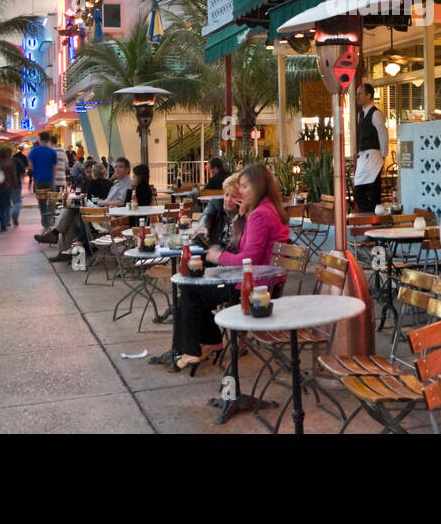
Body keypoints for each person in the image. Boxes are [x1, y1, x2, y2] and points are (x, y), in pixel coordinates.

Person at [153, 164, 290, 372]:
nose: (240, 191)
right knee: (191, 292)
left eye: (244, 187)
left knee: (190, 290)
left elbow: (247, 260)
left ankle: (195, 348)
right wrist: (242, 216)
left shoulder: (260, 214)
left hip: (252, 287)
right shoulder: (266, 209)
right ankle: (208, 342)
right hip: (263, 282)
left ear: (258, 186)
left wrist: (218, 257)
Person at [36, 157, 132, 261]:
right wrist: (102, 202)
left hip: (110, 218)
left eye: (121, 167)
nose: (117, 169)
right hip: (102, 213)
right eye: (116, 166)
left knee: (72, 211)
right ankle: (62, 248)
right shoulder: (117, 183)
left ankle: (57, 237)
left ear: (127, 169)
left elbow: (121, 202)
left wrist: (103, 202)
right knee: (72, 213)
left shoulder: (127, 184)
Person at [352, 82, 387, 213]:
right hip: (363, 156)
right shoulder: (360, 115)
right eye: (357, 94)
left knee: (374, 189)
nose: (358, 97)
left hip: (374, 156)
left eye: (360, 94)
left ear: (369, 95)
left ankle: (375, 217)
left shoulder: (376, 114)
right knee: (357, 192)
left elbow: (383, 134)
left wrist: (383, 155)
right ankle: (373, 212)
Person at [191, 174, 243, 249]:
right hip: (215, 253)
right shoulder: (216, 204)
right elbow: (207, 216)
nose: (229, 200)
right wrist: (203, 227)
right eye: (227, 195)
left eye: (233, 196)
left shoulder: (244, 211)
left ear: (240, 197)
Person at [28, 132, 58, 229]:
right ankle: (50, 217)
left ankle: (44, 220)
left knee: (41, 201)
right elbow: (54, 167)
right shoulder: (52, 152)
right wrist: (53, 178)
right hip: (50, 180)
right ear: (48, 139)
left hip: (39, 180)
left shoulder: (33, 151)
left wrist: (36, 173)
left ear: (40, 139)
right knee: (52, 199)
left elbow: (30, 165)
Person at [0, 147, 20, 232]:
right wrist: (16, 187)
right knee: (7, 205)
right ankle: (6, 222)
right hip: (7, 187)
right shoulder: (10, 163)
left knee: (1, 207)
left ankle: (2, 225)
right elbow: (13, 176)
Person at [10, 146, 29, 227]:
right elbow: (23, 171)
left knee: (5, 204)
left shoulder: (0, 162)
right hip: (16, 183)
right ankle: (14, 212)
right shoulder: (17, 160)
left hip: (4, 185)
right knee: (17, 201)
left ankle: (5, 222)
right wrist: (23, 178)